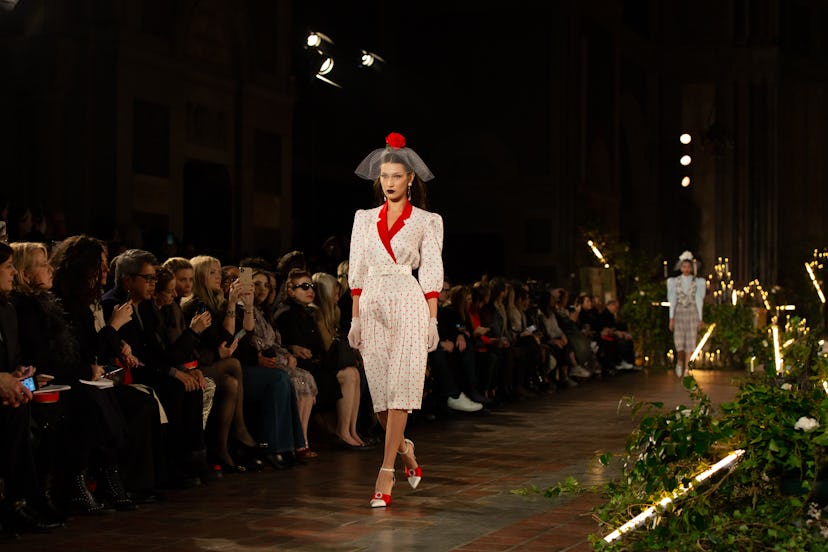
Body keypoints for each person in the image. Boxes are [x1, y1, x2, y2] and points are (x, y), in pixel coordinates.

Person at [347, 132, 443, 508]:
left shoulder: (427, 221)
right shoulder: (363, 219)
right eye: (384, 176)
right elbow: (356, 269)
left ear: (410, 180)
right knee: (382, 400)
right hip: (371, 305)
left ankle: (385, 472)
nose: (389, 182)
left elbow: (431, 270)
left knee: (401, 389)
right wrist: (354, 317)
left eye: (396, 176)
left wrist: (433, 320)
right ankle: (406, 451)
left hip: (408, 303)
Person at [667, 251, 707, 377]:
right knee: (679, 341)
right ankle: (679, 361)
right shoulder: (674, 281)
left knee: (690, 341)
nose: (686, 269)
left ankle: (687, 368)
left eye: (688, 267)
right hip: (679, 312)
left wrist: (700, 318)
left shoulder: (698, 282)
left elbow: (699, 300)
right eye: (684, 266)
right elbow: (672, 300)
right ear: (680, 267)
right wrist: (671, 318)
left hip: (692, 313)